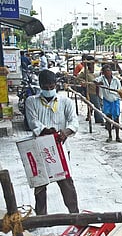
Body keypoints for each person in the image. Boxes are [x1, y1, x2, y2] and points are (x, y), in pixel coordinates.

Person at [25, 69, 80, 215]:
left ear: (56, 85)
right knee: (40, 185)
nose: (49, 90)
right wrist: (46, 131)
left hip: (60, 148)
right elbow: (33, 122)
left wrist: (66, 132)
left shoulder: (65, 101)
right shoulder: (31, 101)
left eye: (51, 87)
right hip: (39, 148)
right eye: (45, 87)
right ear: (40, 85)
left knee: (66, 182)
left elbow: (74, 121)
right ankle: (41, 217)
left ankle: (75, 215)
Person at [96, 64, 122, 143]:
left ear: (111, 72)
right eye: (105, 71)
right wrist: (98, 84)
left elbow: (120, 90)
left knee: (116, 118)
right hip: (107, 101)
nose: (107, 73)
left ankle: (117, 136)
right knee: (108, 118)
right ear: (103, 73)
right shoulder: (102, 79)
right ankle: (110, 135)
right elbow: (95, 81)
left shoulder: (116, 80)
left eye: (109, 71)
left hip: (115, 100)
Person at [77, 55, 104, 124]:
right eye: (90, 63)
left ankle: (101, 118)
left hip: (99, 91)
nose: (92, 65)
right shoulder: (84, 71)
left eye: (92, 63)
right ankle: (99, 120)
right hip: (91, 91)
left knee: (101, 104)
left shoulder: (97, 69)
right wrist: (83, 82)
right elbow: (78, 78)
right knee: (97, 106)